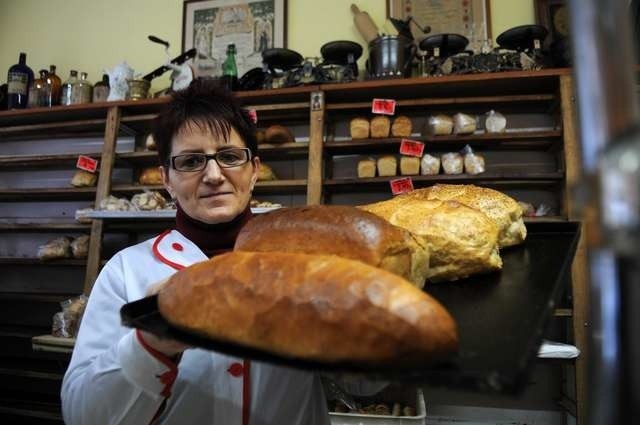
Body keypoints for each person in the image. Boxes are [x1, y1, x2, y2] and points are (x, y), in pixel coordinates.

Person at [61, 79, 383, 425]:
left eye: (229, 156)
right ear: (166, 179)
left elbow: (367, 385)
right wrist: (150, 344)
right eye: (191, 161)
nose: (214, 175)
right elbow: (82, 415)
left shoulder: (307, 261)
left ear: (254, 170)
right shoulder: (127, 271)